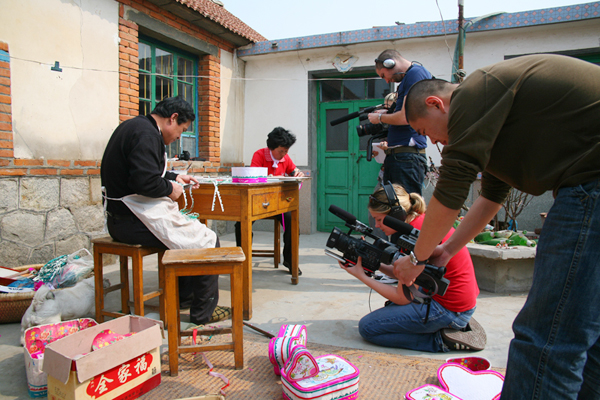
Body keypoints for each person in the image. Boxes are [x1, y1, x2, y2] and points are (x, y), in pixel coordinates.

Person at [400, 54, 600, 399]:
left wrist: (416, 259)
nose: (433, 142)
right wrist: (447, 250)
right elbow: (491, 196)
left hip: (590, 187)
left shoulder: (474, 92)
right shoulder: (495, 118)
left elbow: (452, 188)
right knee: (585, 332)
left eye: (424, 131)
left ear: (436, 104)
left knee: (548, 337)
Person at [101, 96, 229, 325]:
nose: (179, 137)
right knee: (208, 240)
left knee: (188, 237)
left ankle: (185, 299)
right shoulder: (147, 134)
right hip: (131, 222)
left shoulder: (137, 127)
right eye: (182, 129)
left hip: (121, 219)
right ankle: (203, 313)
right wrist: (171, 189)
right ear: (173, 118)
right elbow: (144, 182)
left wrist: (175, 177)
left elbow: (143, 172)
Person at [338, 183, 483, 352]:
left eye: (379, 219)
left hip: (449, 310)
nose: (377, 225)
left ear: (396, 215)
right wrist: (374, 262)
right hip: (459, 302)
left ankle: (440, 340)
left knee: (368, 328)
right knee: (390, 310)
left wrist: (362, 276)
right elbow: (405, 275)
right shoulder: (419, 224)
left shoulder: (414, 240)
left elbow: (402, 297)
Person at [234, 127, 305, 275]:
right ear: (272, 147)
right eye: (281, 151)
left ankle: (290, 260)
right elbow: (253, 178)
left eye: (286, 151)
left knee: (292, 222)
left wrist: (298, 173)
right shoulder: (259, 155)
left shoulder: (285, 158)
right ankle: (242, 261)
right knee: (241, 223)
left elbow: (293, 170)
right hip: (257, 202)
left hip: (278, 204)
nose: (283, 154)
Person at [367, 49, 432, 196]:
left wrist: (380, 118)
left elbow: (405, 117)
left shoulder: (415, 74)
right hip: (399, 157)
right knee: (392, 205)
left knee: (405, 206)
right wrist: (387, 113)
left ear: (390, 64)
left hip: (407, 158)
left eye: (383, 75)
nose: (386, 81)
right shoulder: (409, 77)